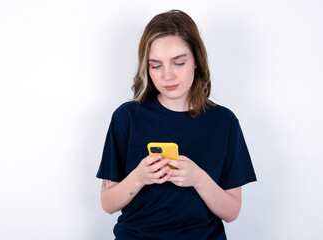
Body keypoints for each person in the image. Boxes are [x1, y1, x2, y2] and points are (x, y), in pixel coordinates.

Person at [96, 9, 257, 240]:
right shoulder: (126, 117)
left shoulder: (224, 122)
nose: (167, 76)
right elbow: (107, 203)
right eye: (156, 65)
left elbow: (232, 212)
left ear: (196, 62)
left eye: (178, 62)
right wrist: (139, 177)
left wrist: (197, 178)